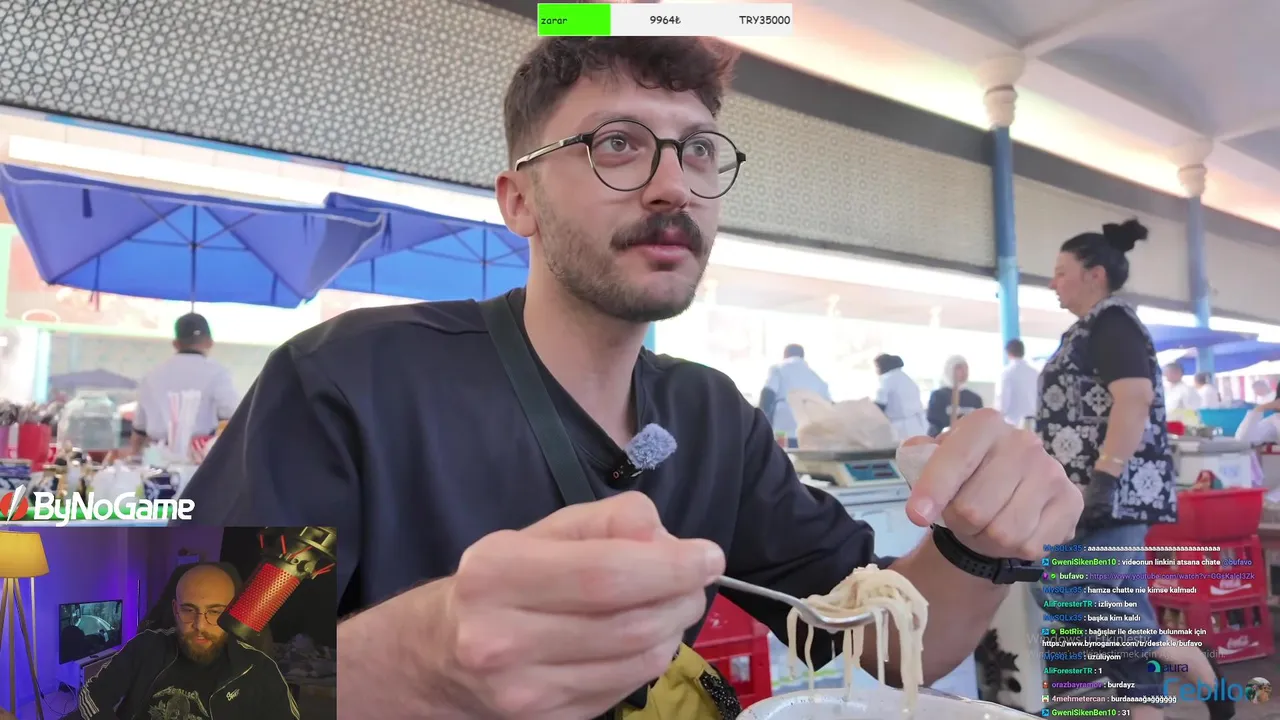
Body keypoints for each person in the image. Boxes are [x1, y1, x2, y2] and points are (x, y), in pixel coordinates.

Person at [182, 37, 1083, 720]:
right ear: (519, 200)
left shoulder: (711, 417)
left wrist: (979, 543)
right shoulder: (352, 379)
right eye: (617, 144)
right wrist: (421, 657)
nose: (673, 187)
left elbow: (886, 645)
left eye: (699, 151)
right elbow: (168, 678)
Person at [1038, 219, 1232, 720]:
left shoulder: (1112, 322)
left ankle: (1190, 659)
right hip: (1094, 490)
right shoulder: (1088, 327)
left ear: (1095, 274)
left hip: (1109, 491)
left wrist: (1104, 477)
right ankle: (1155, 706)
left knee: (1070, 592)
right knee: (1121, 604)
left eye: (1062, 272)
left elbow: (1134, 396)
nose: (1053, 282)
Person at [68, 564, 298, 720]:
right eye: (189, 610)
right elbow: (92, 694)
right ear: (175, 610)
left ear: (232, 612)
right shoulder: (146, 646)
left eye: (215, 611)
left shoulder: (259, 670)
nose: (200, 625)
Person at [129, 313, 238, 455]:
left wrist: (133, 457)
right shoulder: (218, 373)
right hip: (199, 455)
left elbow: (139, 432)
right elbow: (234, 415)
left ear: (175, 344)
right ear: (210, 342)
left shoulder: (151, 375)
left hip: (155, 456)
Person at [757, 343, 830, 446]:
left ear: (785, 355)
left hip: (782, 426)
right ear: (802, 356)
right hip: (808, 431)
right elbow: (828, 406)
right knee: (802, 454)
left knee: (782, 451)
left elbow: (768, 395)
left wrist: (760, 423)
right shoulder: (817, 378)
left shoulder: (778, 369)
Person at [873, 354, 927, 440]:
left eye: (876, 367)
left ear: (882, 366)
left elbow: (880, 405)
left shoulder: (887, 379)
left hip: (900, 427)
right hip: (917, 424)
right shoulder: (906, 378)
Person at [925, 355, 982, 436]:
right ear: (949, 369)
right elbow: (934, 423)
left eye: (966, 368)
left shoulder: (975, 398)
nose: (964, 371)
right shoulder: (938, 396)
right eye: (959, 368)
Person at [997, 339, 1039, 427]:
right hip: (1033, 421)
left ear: (1008, 353)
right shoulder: (1034, 372)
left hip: (1013, 423)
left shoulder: (1007, 373)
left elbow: (1003, 401)